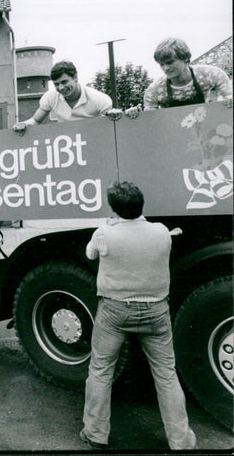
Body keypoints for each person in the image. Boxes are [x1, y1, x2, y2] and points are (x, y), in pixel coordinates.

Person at [81, 182, 196, 451]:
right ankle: (181, 441)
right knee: (166, 375)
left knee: (100, 371)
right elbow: (164, 239)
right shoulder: (160, 232)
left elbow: (90, 253)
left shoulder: (104, 233)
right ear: (141, 204)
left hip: (114, 312)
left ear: (113, 208)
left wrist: (108, 228)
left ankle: (96, 433)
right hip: (156, 311)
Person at [13, 60, 113, 130]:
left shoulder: (99, 99)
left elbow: (111, 124)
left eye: (64, 82)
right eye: (56, 84)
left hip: (93, 140)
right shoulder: (50, 97)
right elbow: (36, 120)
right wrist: (23, 124)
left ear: (75, 77)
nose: (61, 88)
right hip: (67, 143)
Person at [143, 37, 233, 110]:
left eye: (170, 62)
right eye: (161, 64)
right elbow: (150, 121)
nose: (165, 68)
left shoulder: (210, 74)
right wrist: (133, 113)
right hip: (171, 129)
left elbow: (230, 98)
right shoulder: (154, 90)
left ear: (185, 59)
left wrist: (228, 102)